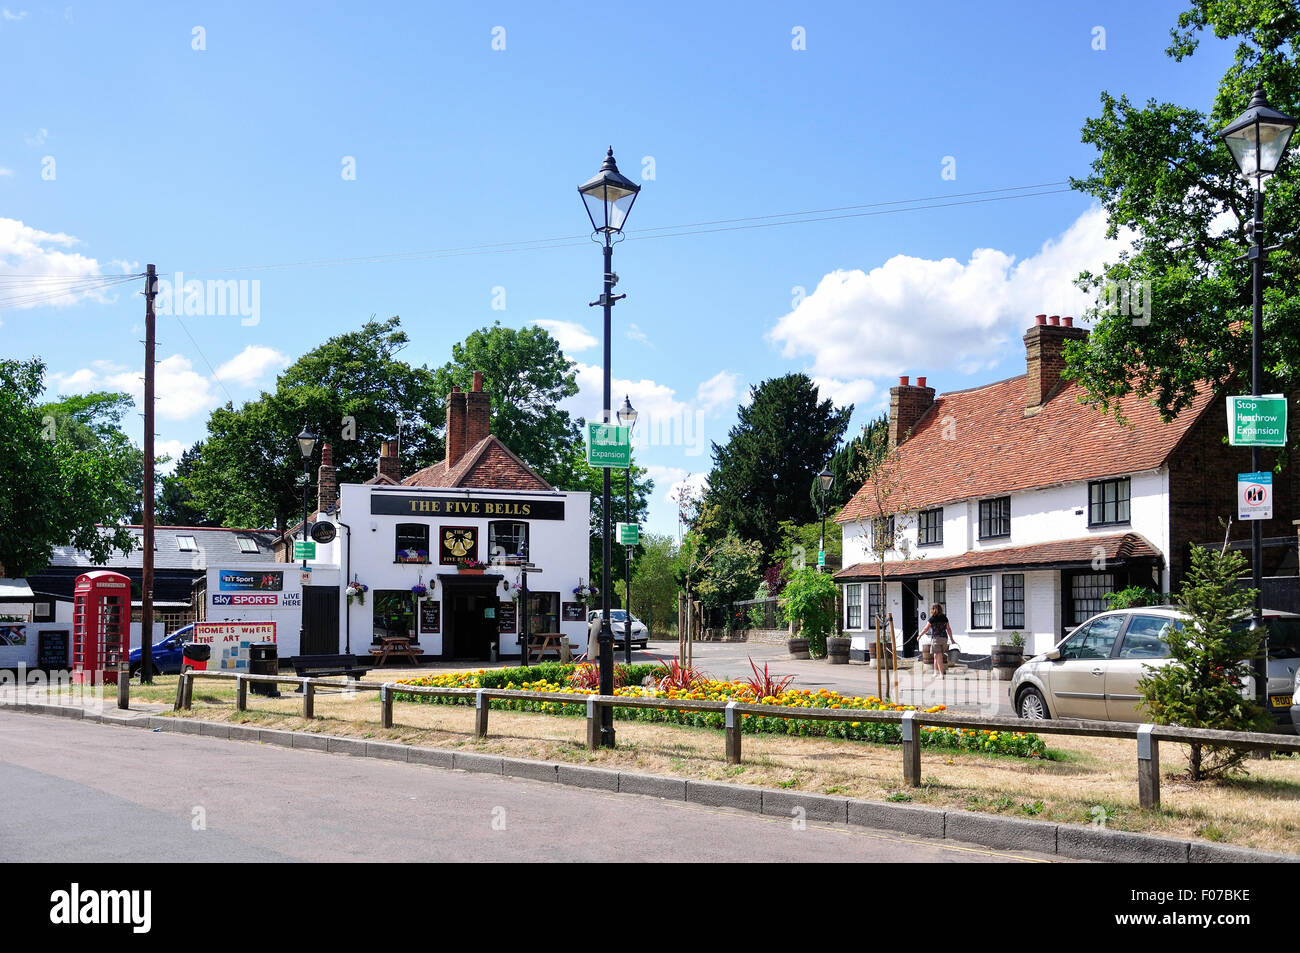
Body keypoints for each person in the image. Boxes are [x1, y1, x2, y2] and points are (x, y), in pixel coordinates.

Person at [918, 603, 952, 677]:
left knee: (938, 656)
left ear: (932, 610)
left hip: (936, 639)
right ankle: (935, 672)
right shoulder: (944, 618)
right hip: (944, 639)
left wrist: (920, 635)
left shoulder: (932, 618)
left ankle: (941, 674)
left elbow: (926, 629)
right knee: (935, 656)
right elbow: (948, 629)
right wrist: (952, 639)